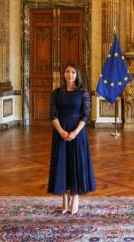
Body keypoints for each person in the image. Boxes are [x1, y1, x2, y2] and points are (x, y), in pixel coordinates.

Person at [48, 63, 96, 215]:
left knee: (76, 164)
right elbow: (53, 114)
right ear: (64, 74)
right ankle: (64, 198)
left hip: (77, 133)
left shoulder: (83, 93)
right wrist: (61, 131)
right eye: (67, 72)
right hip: (60, 133)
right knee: (61, 164)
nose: (70, 75)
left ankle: (75, 197)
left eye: (73, 72)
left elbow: (85, 115)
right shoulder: (57, 92)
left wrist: (75, 132)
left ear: (77, 75)